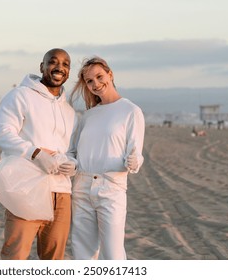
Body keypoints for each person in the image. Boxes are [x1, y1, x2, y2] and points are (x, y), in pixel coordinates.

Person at [0, 48, 77, 260]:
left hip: (61, 193)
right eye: (53, 62)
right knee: (15, 257)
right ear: (42, 66)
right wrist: (36, 153)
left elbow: (72, 150)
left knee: (53, 260)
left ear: (69, 71)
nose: (59, 67)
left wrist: (73, 163)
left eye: (65, 64)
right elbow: (2, 133)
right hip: (27, 188)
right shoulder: (20, 95)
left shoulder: (70, 111)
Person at [68, 56, 145, 260]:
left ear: (110, 74)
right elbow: (73, 151)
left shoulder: (131, 111)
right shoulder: (88, 116)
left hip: (111, 188)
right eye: (89, 81)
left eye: (99, 76)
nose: (95, 84)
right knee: (82, 252)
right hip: (81, 187)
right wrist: (69, 163)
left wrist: (135, 161)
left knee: (113, 254)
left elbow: (136, 153)